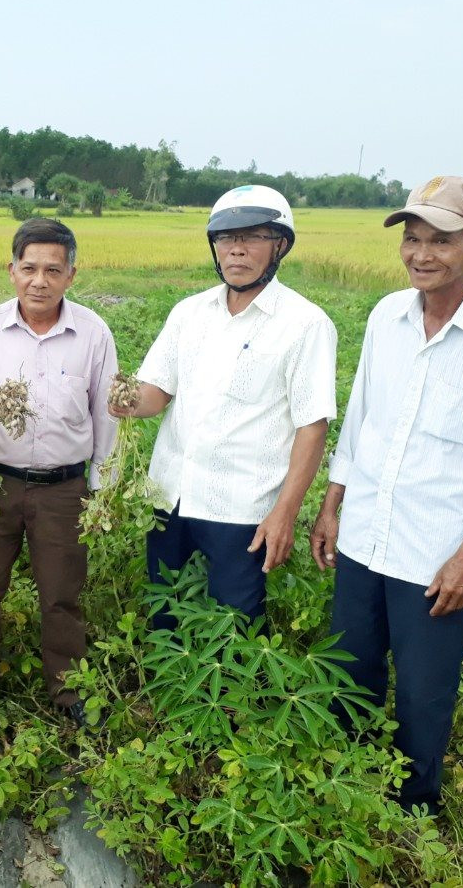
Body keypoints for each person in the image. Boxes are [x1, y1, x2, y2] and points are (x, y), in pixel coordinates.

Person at [310, 176, 463, 814]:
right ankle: (347, 788)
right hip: (364, 534)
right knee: (349, 671)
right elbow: (361, 417)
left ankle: (415, 808)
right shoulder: (386, 317)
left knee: (423, 691)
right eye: (413, 239)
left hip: (435, 552)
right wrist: (332, 504)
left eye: (441, 241)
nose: (422, 253)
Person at [112, 186, 336, 626]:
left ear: (280, 245)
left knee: (233, 625)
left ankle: (232, 697)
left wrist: (285, 514)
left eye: (252, 236)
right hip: (171, 497)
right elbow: (155, 394)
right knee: (166, 612)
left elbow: (312, 428)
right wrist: (118, 396)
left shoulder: (305, 324)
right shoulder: (189, 313)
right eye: (225, 238)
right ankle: (168, 692)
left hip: (243, 508)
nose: (236, 250)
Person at [0, 217, 117, 725]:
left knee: (62, 595)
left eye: (52, 270)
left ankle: (69, 694)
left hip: (65, 488)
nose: (39, 280)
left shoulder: (92, 332)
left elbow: (106, 413)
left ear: (71, 275)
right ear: (12, 271)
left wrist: (100, 487)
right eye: (29, 268)